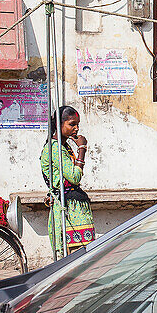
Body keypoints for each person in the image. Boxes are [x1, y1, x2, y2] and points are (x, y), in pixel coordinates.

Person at [41, 105, 94, 259]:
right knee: (76, 259)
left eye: (77, 124)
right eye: (72, 124)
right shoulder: (55, 149)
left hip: (74, 208)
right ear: (59, 124)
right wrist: (82, 149)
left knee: (84, 258)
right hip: (68, 211)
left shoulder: (63, 147)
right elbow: (74, 177)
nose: (76, 129)